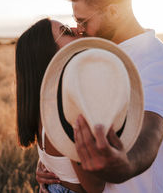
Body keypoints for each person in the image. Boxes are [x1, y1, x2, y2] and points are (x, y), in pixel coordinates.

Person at [36, 0, 163, 192]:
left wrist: (124, 165)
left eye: (84, 21)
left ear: (114, 12)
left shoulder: (157, 60)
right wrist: (54, 168)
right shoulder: (97, 57)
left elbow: (151, 131)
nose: (79, 30)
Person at [15, 18, 106, 193]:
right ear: (49, 53)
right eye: (66, 30)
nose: (75, 29)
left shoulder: (44, 102)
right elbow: (96, 187)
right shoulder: (68, 111)